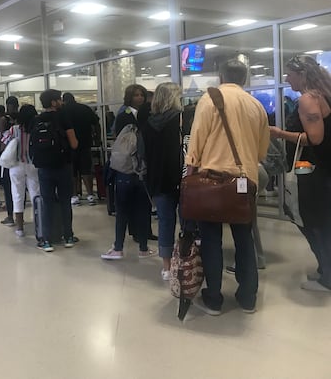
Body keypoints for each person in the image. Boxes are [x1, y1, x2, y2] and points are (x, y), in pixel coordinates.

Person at [186, 59, 269, 314]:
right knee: (244, 238)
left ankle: (213, 299)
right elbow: (262, 150)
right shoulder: (256, 106)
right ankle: (247, 298)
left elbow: (197, 140)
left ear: (221, 77)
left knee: (211, 239)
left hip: (212, 180)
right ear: (244, 79)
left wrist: (190, 173)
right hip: (244, 182)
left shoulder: (210, 99)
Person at [269, 55, 331, 293]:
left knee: (313, 223)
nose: (286, 79)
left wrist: (279, 133)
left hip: (313, 170)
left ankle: (327, 276)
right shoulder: (324, 95)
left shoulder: (308, 100)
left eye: (289, 74)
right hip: (324, 170)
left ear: (302, 75)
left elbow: (315, 138)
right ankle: (325, 269)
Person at [101, 84, 156, 261]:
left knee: (138, 209)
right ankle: (125, 247)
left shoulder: (144, 115)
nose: (139, 98)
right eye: (136, 95)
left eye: (142, 95)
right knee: (126, 210)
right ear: (129, 97)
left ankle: (138, 246)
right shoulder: (126, 116)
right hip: (129, 169)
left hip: (134, 171)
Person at [142, 83, 183, 280]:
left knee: (165, 222)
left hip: (157, 179)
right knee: (187, 222)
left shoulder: (148, 124)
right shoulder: (180, 120)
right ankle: (185, 261)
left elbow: (143, 154)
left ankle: (166, 267)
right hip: (182, 178)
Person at [31, 89, 79, 252]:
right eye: (59, 99)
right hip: (63, 166)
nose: (61, 102)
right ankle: (68, 237)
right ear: (53, 102)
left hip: (44, 168)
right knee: (65, 202)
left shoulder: (37, 120)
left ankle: (46, 240)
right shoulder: (63, 117)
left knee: (47, 202)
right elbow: (73, 144)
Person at [4, 104, 40, 237]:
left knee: (17, 195)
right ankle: (39, 225)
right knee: (35, 194)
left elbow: (4, 142)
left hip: (16, 165)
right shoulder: (36, 128)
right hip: (33, 165)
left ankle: (19, 228)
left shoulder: (14, 129)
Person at [62, 92, 100, 206]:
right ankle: (90, 195)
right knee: (86, 170)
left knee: (72, 172)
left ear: (64, 100)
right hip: (85, 144)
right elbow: (96, 123)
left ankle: (74, 196)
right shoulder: (85, 109)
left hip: (69, 145)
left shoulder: (63, 111)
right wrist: (97, 138)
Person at [0, 96, 19, 225]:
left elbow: (2, 139)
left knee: (8, 187)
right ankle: (18, 216)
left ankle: (10, 216)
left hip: (9, 156)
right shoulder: (21, 118)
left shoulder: (3, 119)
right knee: (19, 188)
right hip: (21, 156)